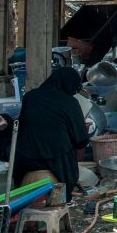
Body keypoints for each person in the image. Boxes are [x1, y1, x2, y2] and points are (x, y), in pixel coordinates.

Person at [14, 67, 91, 195]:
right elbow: (81, 140)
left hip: (26, 160)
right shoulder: (70, 102)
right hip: (57, 163)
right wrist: (81, 128)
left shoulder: (30, 97)